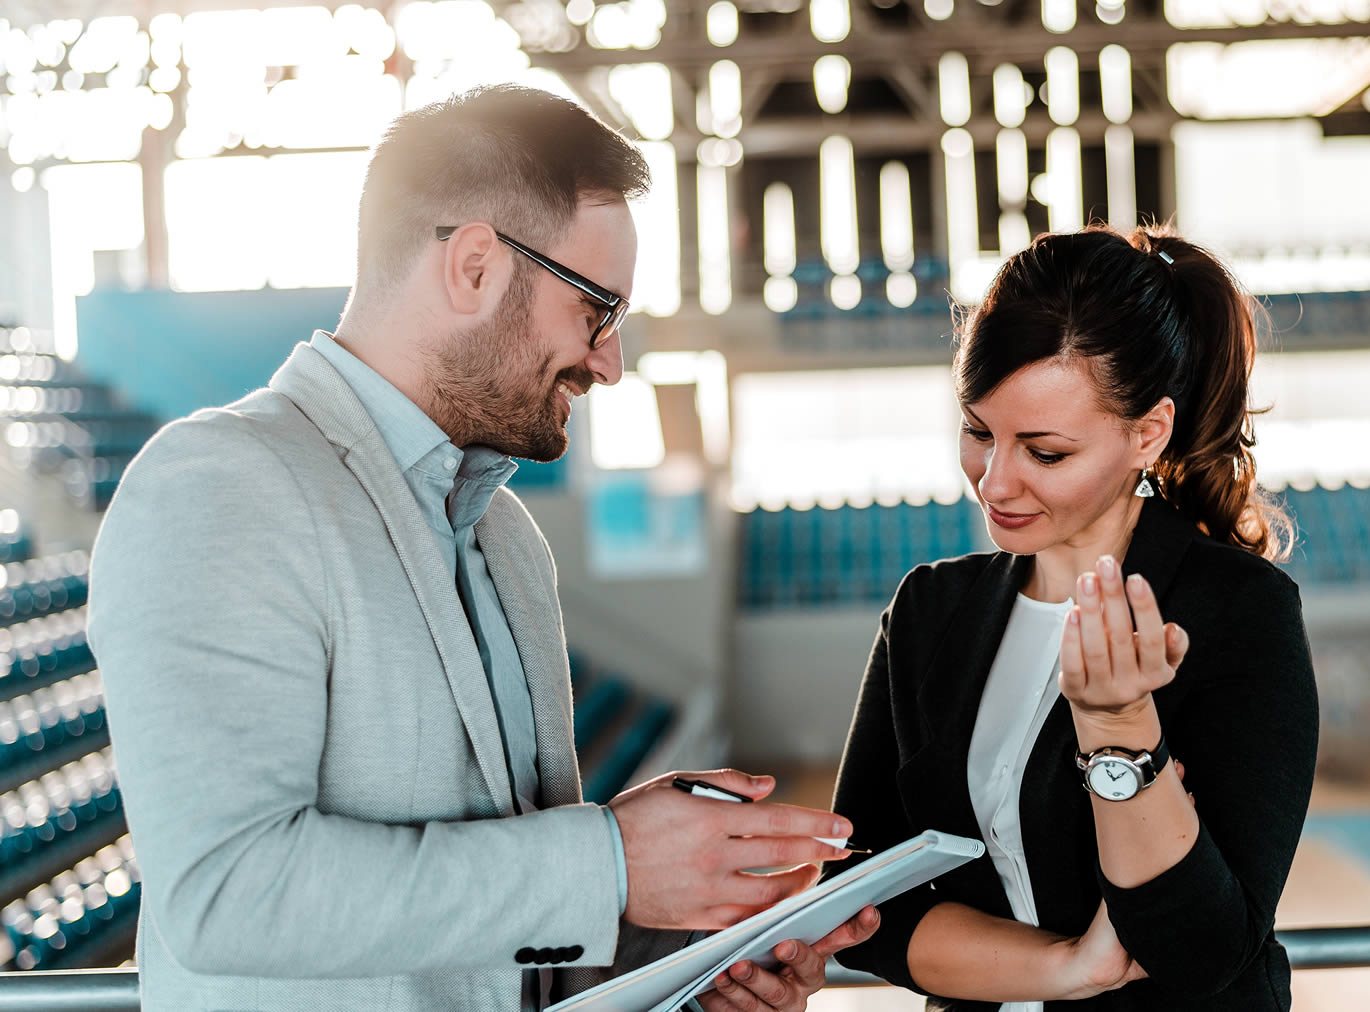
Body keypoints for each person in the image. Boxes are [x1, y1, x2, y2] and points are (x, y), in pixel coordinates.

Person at [87, 84, 876, 1012]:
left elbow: (500, 943)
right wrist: (611, 863)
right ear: (473, 268)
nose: (610, 361)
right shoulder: (222, 484)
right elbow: (229, 894)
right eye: (597, 311)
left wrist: (685, 949)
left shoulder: (504, 536)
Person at [827, 225, 1319, 1009]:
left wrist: (1120, 726)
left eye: (1045, 452)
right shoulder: (929, 611)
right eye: (978, 432)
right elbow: (861, 903)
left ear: (1146, 435)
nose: (995, 481)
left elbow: (1203, 951)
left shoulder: (1236, 612)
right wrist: (1066, 968)